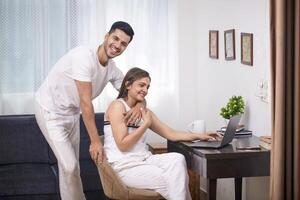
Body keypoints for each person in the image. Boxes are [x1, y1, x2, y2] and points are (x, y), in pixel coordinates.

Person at [34, 21, 141, 200]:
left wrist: (140, 105)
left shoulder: (112, 70)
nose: (117, 45)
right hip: (50, 110)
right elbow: (86, 103)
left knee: (71, 167)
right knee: (69, 166)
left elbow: (133, 90)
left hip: (72, 113)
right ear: (106, 36)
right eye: (115, 38)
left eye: (123, 44)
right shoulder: (84, 57)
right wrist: (95, 141)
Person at [103, 67, 221, 200]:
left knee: (177, 159)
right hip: (124, 166)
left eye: (147, 87)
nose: (145, 90)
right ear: (128, 85)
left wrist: (200, 135)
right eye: (141, 85)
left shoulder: (143, 111)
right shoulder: (117, 107)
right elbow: (122, 145)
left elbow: (171, 133)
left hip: (144, 159)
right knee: (175, 181)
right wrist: (146, 124)